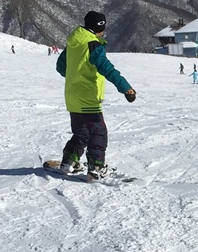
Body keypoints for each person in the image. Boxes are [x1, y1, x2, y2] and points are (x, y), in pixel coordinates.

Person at [54, 11, 136, 178]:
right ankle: (96, 167)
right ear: (100, 27)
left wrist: (76, 77)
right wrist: (126, 88)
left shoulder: (74, 43)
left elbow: (61, 67)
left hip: (72, 96)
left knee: (81, 133)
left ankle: (69, 162)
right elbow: (107, 68)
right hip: (88, 97)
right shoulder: (93, 45)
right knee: (98, 133)